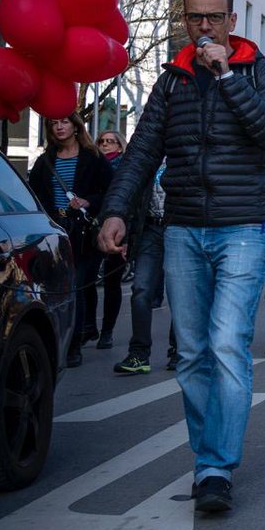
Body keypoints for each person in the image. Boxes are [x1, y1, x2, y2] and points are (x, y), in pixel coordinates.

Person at [99, 0, 265, 514]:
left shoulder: (259, 73)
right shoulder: (172, 82)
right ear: (184, 21)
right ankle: (210, 456)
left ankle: (214, 467)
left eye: (214, 17)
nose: (204, 27)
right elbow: (139, 152)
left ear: (231, 21)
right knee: (192, 354)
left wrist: (227, 76)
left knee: (227, 343)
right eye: (194, 18)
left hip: (246, 227)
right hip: (182, 229)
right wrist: (115, 210)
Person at [29, 113, 112, 368]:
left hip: (83, 232)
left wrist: (89, 201)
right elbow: (34, 196)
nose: (59, 127)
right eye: (54, 123)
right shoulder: (44, 162)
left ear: (76, 127)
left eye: (64, 122)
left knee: (76, 285)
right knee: (57, 289)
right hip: (55, 229)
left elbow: (110, 190)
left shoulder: (93, 158)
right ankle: (65, 338)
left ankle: (74, 344)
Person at [113, 159, 179, 374]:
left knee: (180, 294)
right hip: (149, 230)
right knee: (140, 290)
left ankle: (179, 350)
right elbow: (132, 198)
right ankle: (139, 354)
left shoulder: (184, 152)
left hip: (179, 229)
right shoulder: (148, 157)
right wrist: (125, 236)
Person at [92, 130, 126, 350]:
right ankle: (88, 325)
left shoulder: (125, 169)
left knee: (112, 280)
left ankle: (107, 331)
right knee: (86, 279)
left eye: (110, 141)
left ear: (120, 146)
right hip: (92, 227)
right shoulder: (92, 166)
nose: (105, 145)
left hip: (118, 229)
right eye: (102, 141)